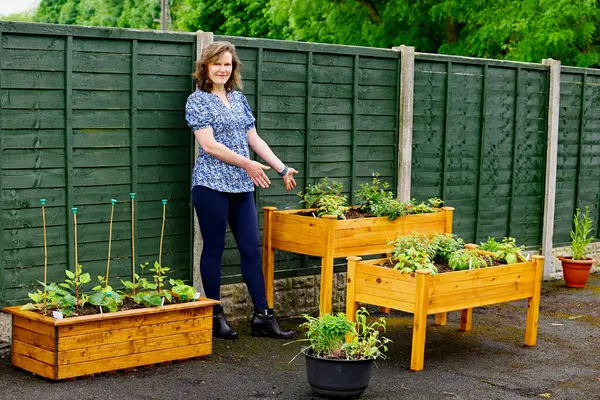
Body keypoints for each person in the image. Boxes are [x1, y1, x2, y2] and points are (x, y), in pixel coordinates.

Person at [185, 41, 298, 340]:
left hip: (241, 185)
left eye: (228, 63)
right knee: (214, 249)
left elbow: (254, 138)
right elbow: (208, 145)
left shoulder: (238, 99)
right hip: (210, 185)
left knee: (251, 248)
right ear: (205, 67)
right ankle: (215, 316)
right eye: (217, 63)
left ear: (233, 67)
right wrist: (248, 164)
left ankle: (263, 317)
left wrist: (281, 168)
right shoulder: (197, 101)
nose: (223, 69)